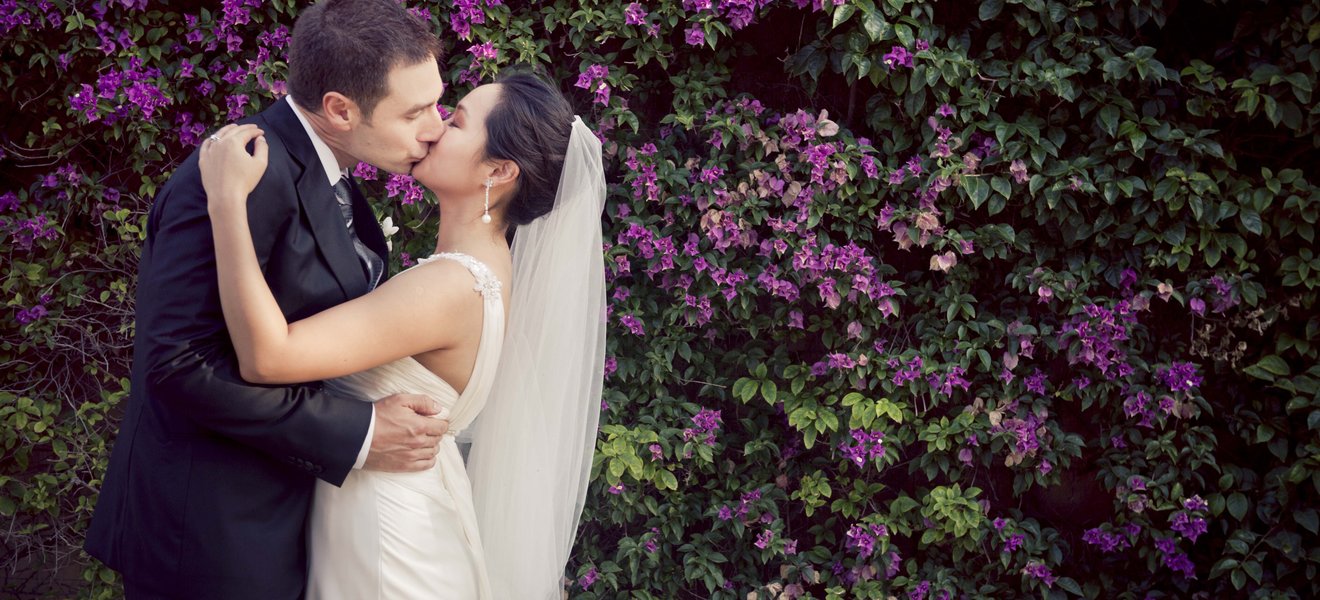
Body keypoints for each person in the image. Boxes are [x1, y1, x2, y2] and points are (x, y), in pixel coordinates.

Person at [84, 1, 453, 597]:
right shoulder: (243, 176)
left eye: (436, 102)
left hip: (282, 512)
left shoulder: (326, 161)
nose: (436, 126)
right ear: (339, 109)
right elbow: (176, 364)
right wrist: (357, 431)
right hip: (213, 529)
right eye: (415, 112)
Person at [199, 69, 607, 599]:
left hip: (386, 536)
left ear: (499, 170)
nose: (435, 128)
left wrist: (227, 202)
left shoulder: (450, 285)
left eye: (456, 122)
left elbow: (267, 358)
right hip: (396, 508)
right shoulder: (486, 267)